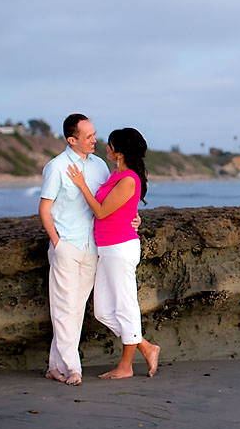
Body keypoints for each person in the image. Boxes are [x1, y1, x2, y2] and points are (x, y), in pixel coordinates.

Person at [38, 113, 140, 386]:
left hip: (94, 246)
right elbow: (44, 209)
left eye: (95, 134)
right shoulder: (56, 167)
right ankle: (73, 369)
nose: (95, 140)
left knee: (76, 309)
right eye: (88, 137)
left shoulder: (99, 167)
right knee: (63, 308)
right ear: (72, 140)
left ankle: (54, 366)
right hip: (67, 245)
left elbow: (111, 202)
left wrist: (134, 217)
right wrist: (57, 243)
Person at [67, 127, 161, 379]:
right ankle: (145, 346)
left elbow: (101, 211)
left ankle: (126, 366)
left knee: (125, 307)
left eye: (109, 145)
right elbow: (123, 209)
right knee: (103, 312)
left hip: (120, 249)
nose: (104, 147)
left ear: (118, 152)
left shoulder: (128, 179)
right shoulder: (115, 176)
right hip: (107, 249)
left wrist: (81, 185)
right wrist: (135, 216)